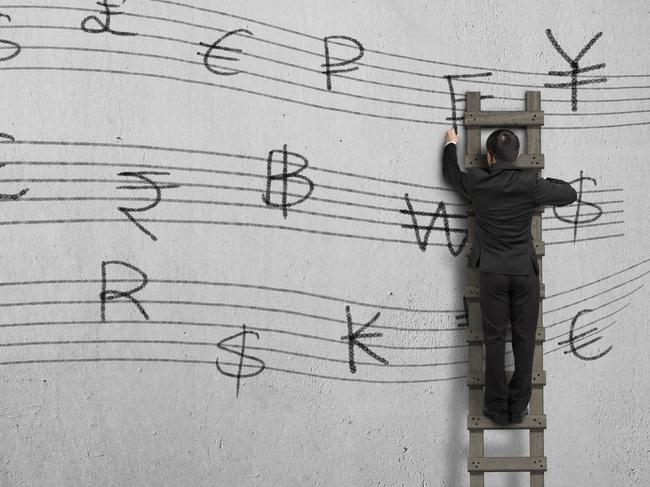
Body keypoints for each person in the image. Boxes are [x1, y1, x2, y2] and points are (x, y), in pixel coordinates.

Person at [442, 127, 577, 424]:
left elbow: (450, 173)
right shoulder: (530, 183)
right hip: (523, 273)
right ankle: (518, 407)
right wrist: (541, 182)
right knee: (524, 340)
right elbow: (569, 194)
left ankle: (494, 407)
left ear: (490, 156)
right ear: (515, 156)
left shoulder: (477, 182)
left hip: (492, 273)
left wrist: (451, 144)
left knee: (493, 340)